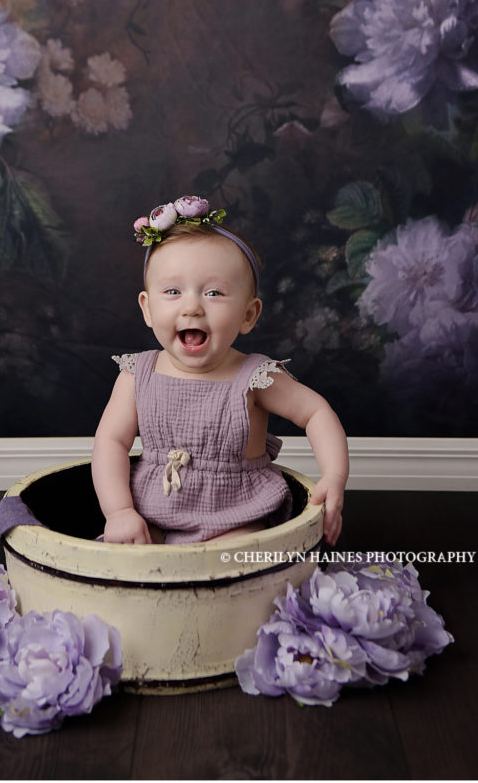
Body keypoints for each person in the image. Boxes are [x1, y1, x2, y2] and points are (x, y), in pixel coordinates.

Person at [91, 196, 349, 546]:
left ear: (248, 315)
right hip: (152, 508)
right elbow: (111, 443)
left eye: (213, 293)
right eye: (172, 291)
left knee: (234, 561)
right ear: (147, 308)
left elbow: (316, 413)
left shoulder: (254, 376)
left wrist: (333, 476)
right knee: (125, 557)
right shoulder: (138, 374)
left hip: (235, 514)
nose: (192, 307)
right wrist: (120, 511)